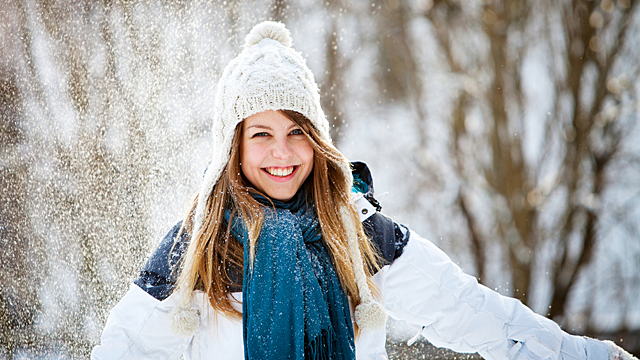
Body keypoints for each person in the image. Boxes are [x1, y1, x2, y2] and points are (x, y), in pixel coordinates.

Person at [91, 21, 637, 360]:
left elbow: (477, 315)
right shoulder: (197, 250)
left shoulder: (357, 231)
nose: (282, 153)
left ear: (318, 141)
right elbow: (125, 350)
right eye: (261, 135)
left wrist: (582, 355)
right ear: (232, 150)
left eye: (297, 133)